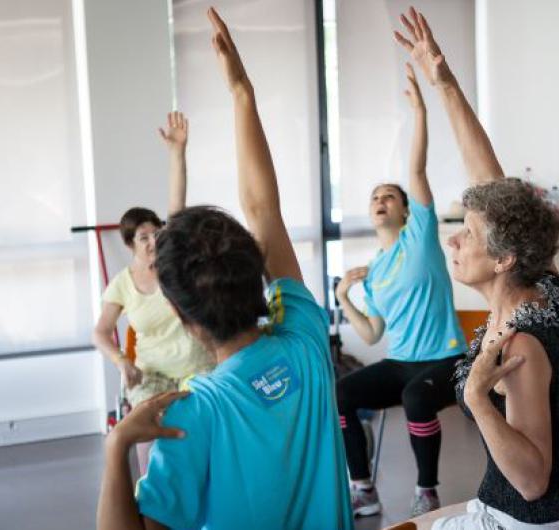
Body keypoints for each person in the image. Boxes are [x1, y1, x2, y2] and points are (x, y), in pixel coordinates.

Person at [95, 8, 353, 530]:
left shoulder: (191, 416)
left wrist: (117, 446)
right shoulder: (304, 337)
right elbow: (265, 211)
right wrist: (241, 93)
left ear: (183, 314)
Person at [394, 8, 559, 529]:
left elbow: (531, 481)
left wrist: (475, 398)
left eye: (468, 233)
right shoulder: (545, 284)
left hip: (533, 519)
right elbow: (491, 180)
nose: (454, 239)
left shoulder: (520, 345)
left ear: (505, 257)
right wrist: (445, 84)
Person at [334, 61, 467, 518]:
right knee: (342, 394)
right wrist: (344, 298)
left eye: (388, 196)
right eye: (374, 198)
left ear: (407, 210)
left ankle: (426, 490)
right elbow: (371, 334)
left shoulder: (420, 237)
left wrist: (420, 114)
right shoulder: (375, 270)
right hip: (401, 361)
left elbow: (416, 170)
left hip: (446, 358)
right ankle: (363, 489)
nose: (379, 202)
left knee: (415, 398)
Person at [92, 111, 213, 473]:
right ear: (130, 244)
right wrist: (121, 361)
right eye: (143, 237)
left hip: (198, 367)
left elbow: (177, 208)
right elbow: (99, 332)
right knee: (145, 424)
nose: (152, 241)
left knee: (206, 427)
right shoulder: (123, 283)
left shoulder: (175, 265)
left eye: (156, 233)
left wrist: (177, 153)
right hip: (153, 373)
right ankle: (152, 495)